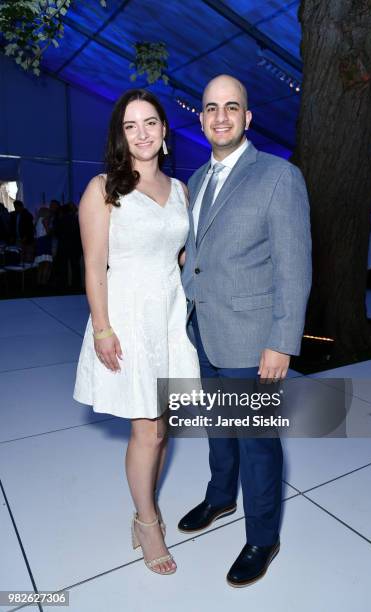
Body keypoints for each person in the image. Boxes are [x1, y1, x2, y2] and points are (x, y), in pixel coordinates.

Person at [178, 75, 312, 587]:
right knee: (218, 427)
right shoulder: (194, 180)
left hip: (254, 338)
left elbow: (295, 267)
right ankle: (219, 498)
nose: (220, 116)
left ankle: (263, 536)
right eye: (211, 108)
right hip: (203, 332)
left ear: (247, 117)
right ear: (202, 117)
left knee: (257, 440)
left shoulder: (279, 176)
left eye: (231, 107)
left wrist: (282, 340)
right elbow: (199, 252)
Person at [73, 89, 200, 575]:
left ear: (166, 131)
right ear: (120, 135)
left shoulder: (181, 190)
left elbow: (181, 256)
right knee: (146, 428)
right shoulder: (103, 188)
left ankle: (143, 510)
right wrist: (103, 329)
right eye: (131, 125)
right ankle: (147, 522)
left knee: (160, 426)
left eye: (151, 123)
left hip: (168, 317)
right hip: (127, 318)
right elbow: (93, 267)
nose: (143, 133)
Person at [34, 206, 53, 285]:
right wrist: (51, 230)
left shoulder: (37, 220)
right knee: (47, 264)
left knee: (41, 265)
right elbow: (48, 232)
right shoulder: (44, 220)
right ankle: (44, 282)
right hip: (45, 241)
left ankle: (39, 282)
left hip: (39, 242)